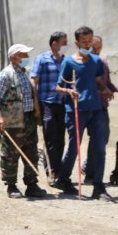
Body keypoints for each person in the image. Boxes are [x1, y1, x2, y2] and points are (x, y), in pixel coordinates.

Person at [55, 26, 114, 200]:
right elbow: (58, 87)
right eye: (84, 42)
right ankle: (63, 179)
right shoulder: (68, 62)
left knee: (99, 148)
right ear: (77, 42)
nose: (87, 45)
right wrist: (69, 92)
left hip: (96, 109)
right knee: (74, 147)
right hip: (75, 110)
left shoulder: (97, 61)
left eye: (90, 41)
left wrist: (106, 90)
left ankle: (98, 186)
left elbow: (97, 81)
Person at [0, 44, 48, 199]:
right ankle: (11, 185)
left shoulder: (24, 73)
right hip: (13, 121)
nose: (27, 58)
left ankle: (31, 184)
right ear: (13, 57)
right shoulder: (6, 75)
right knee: (11, 154)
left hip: (28, 119)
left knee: (31, 152)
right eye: (23, 55)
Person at [83, 35, 118, 182]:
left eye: (99, 47)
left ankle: (89, 167)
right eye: (94, 47)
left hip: (102, 105)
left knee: (102, 138)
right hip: (89, 105)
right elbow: (92, 82)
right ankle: (89, 174)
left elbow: (108, 82)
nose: (97, 50)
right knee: (96, 138)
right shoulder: (87, 61)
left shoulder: (103, 61)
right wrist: (105, 90)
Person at [30, 31, 68, 185]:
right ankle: (50, 171)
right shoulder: (42, 59)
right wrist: (36, 104)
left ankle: (58, 169)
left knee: (60, 139)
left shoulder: (65, 61)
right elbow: (34, 81)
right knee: (50, 139)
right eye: (63, 43)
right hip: (47, 103)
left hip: (62, 103)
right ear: (54, 44)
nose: (65, 46)